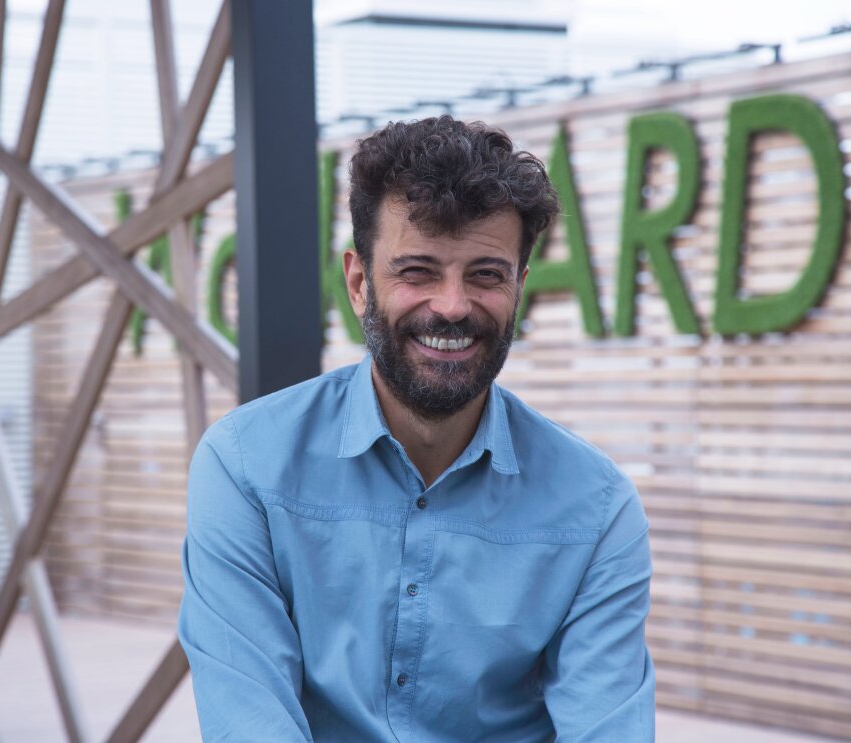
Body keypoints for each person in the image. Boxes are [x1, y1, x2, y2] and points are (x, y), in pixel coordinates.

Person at [178, 116, 654, 742]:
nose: (453, 306)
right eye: (417, 272)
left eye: (486, 273)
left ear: (519, 288)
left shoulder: (596, 508)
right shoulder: (245, 466)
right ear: (358, 283)